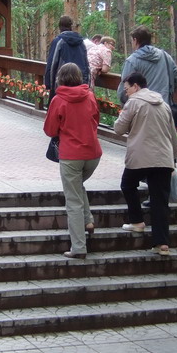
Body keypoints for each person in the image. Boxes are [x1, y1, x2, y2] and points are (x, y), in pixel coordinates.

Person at [113, 72, 177, 256]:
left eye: (127, 89)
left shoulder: (133, 102)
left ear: (136, 86)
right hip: (164, 158)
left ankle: (137, 221)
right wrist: (174, 157)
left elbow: (118, 128)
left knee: (128, 184)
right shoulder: (164, 104)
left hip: (140, 157)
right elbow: (173, 136)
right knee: (160, 201)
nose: (126, 93)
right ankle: (162, 244)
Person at [43, 62, 102, 259]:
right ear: (79, 77)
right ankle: (88, 220)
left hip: (71, 156)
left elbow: (50, 130)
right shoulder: (90, 96)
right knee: (76, 187)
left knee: (73, 199)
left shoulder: (58, 100)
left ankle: (78, 247)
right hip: (93, 154)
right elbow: (96, 120)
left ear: (60, 78)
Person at [116, 25, 177, 109]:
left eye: (132, 41)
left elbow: (124, 90)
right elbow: (176, 81)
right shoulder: (166, 56)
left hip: (142, 111)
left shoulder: (132, 61)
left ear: (135, 40)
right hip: (164, 109)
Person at [44, 15, 89, 98]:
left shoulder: (58, 41)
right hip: (79, 87)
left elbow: (51, 64)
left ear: (59, 27)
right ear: (71, 26)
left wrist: (49, 85)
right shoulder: (81, 43)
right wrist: (86, 84)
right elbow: (86, 65)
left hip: (61, 87)